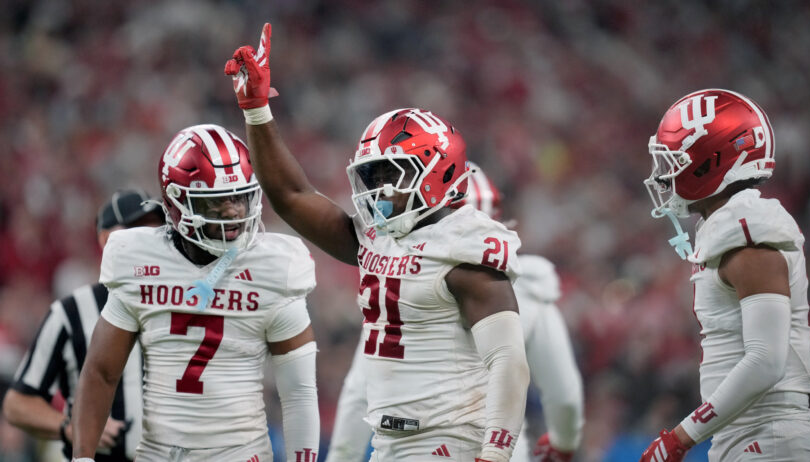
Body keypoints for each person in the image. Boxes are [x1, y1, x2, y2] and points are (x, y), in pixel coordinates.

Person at [225, 24, 530, 462]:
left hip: (450, 442)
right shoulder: (379, 238)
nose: (379, 191)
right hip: (391, 444)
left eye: (392, 177)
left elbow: (508, 361)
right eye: (374, 177)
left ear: (439, 172)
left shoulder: (464, 248)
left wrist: (495, 455)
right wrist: (257, 110)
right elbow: (291, 198)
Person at [70, 124, 320, 462]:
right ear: (175, 204)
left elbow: (299, 394)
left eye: (239, 197)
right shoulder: (140, 258)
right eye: (215, 203)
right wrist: (82, 458)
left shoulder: (274, 265)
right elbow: (101, 371)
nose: (233, 212)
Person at [325, 164, 585, 462]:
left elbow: (358, 394)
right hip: (499, 446)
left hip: (416, 444)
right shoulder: (526, 291)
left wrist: (341, 456)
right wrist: (564, 443)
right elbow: (564, 395)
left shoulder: (396, 287)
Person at [640, 88, 810, 461]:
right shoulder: (728, 225)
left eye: (675, 161)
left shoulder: (748, 227)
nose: (665, 178)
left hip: (768, 438)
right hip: (752, 438)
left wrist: (679, 437)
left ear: (711, 161)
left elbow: (766, 360)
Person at [3, 188, 165, 461]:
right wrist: (70, 428)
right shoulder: (71, 313)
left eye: (157, 231)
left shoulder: (181, 304)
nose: (151, 241)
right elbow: (17, 404)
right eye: (138, 230)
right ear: (106, 240)